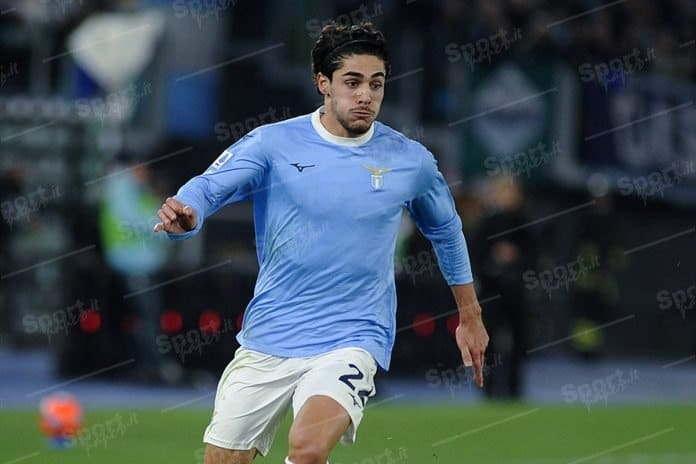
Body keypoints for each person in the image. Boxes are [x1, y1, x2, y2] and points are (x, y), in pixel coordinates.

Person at [153, 22, 488, 464]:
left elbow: (446, 230)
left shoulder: (410, 160)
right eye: (352, 82)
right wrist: (187, 214)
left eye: (376, 84)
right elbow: (207, 188)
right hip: (270, 334)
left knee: (308, 450)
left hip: (354, 335)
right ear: (323, 83)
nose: (365, 95)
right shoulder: (273, 143)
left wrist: (470, 314)